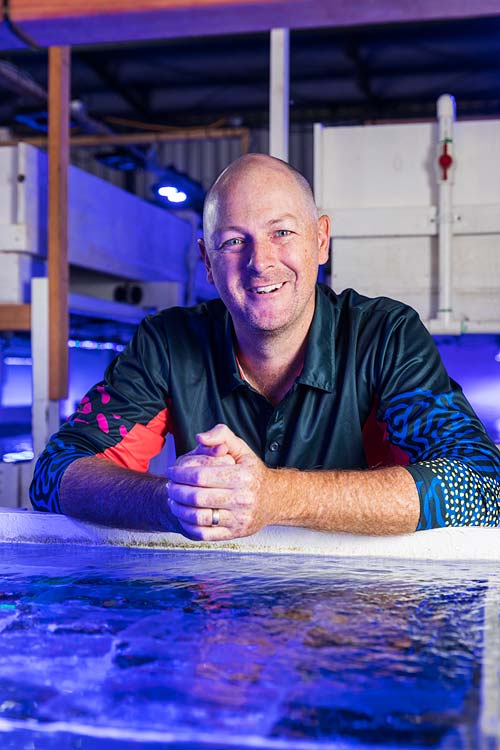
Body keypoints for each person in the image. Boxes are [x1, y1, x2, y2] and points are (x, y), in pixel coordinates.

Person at [30, 154, 500, 539]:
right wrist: (171, 501)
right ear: (207, 261)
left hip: (361, 608)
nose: (261, 262)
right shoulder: (166, 344)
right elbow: (54, 473)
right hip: (219, 611)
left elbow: (483, 489)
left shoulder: (385, 336)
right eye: (235, 241)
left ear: (321, 240)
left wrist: (276, 496)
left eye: (282, 232)